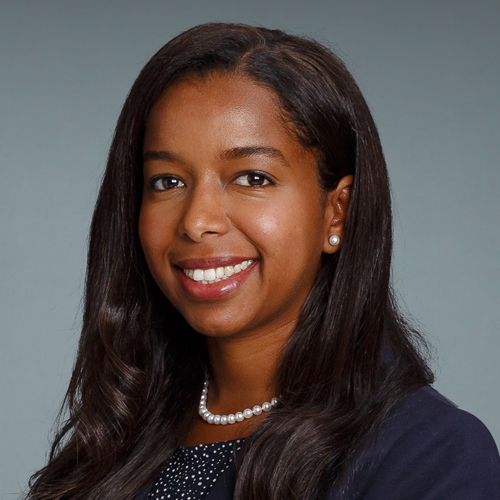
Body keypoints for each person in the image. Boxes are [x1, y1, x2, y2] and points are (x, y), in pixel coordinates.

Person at [26, 23, 500, 500]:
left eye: (252, 178)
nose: (197, 221)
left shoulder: (427, 454)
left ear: (337, 212)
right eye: (168, 181)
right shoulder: (113, 440)